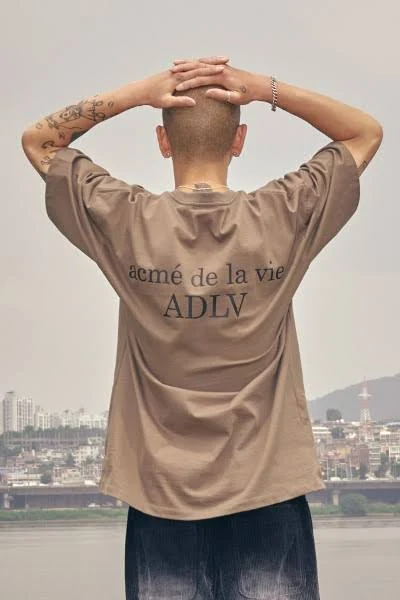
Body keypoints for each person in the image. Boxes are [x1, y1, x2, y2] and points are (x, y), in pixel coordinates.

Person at [22, 56, 383, 600]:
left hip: (160, 493)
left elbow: (40, 141)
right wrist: (262, 88)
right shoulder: (281, 214)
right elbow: (364, 132)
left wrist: (140, 92)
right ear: (239, 140)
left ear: (162, 142)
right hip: (267, 486)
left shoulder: (127, 220)